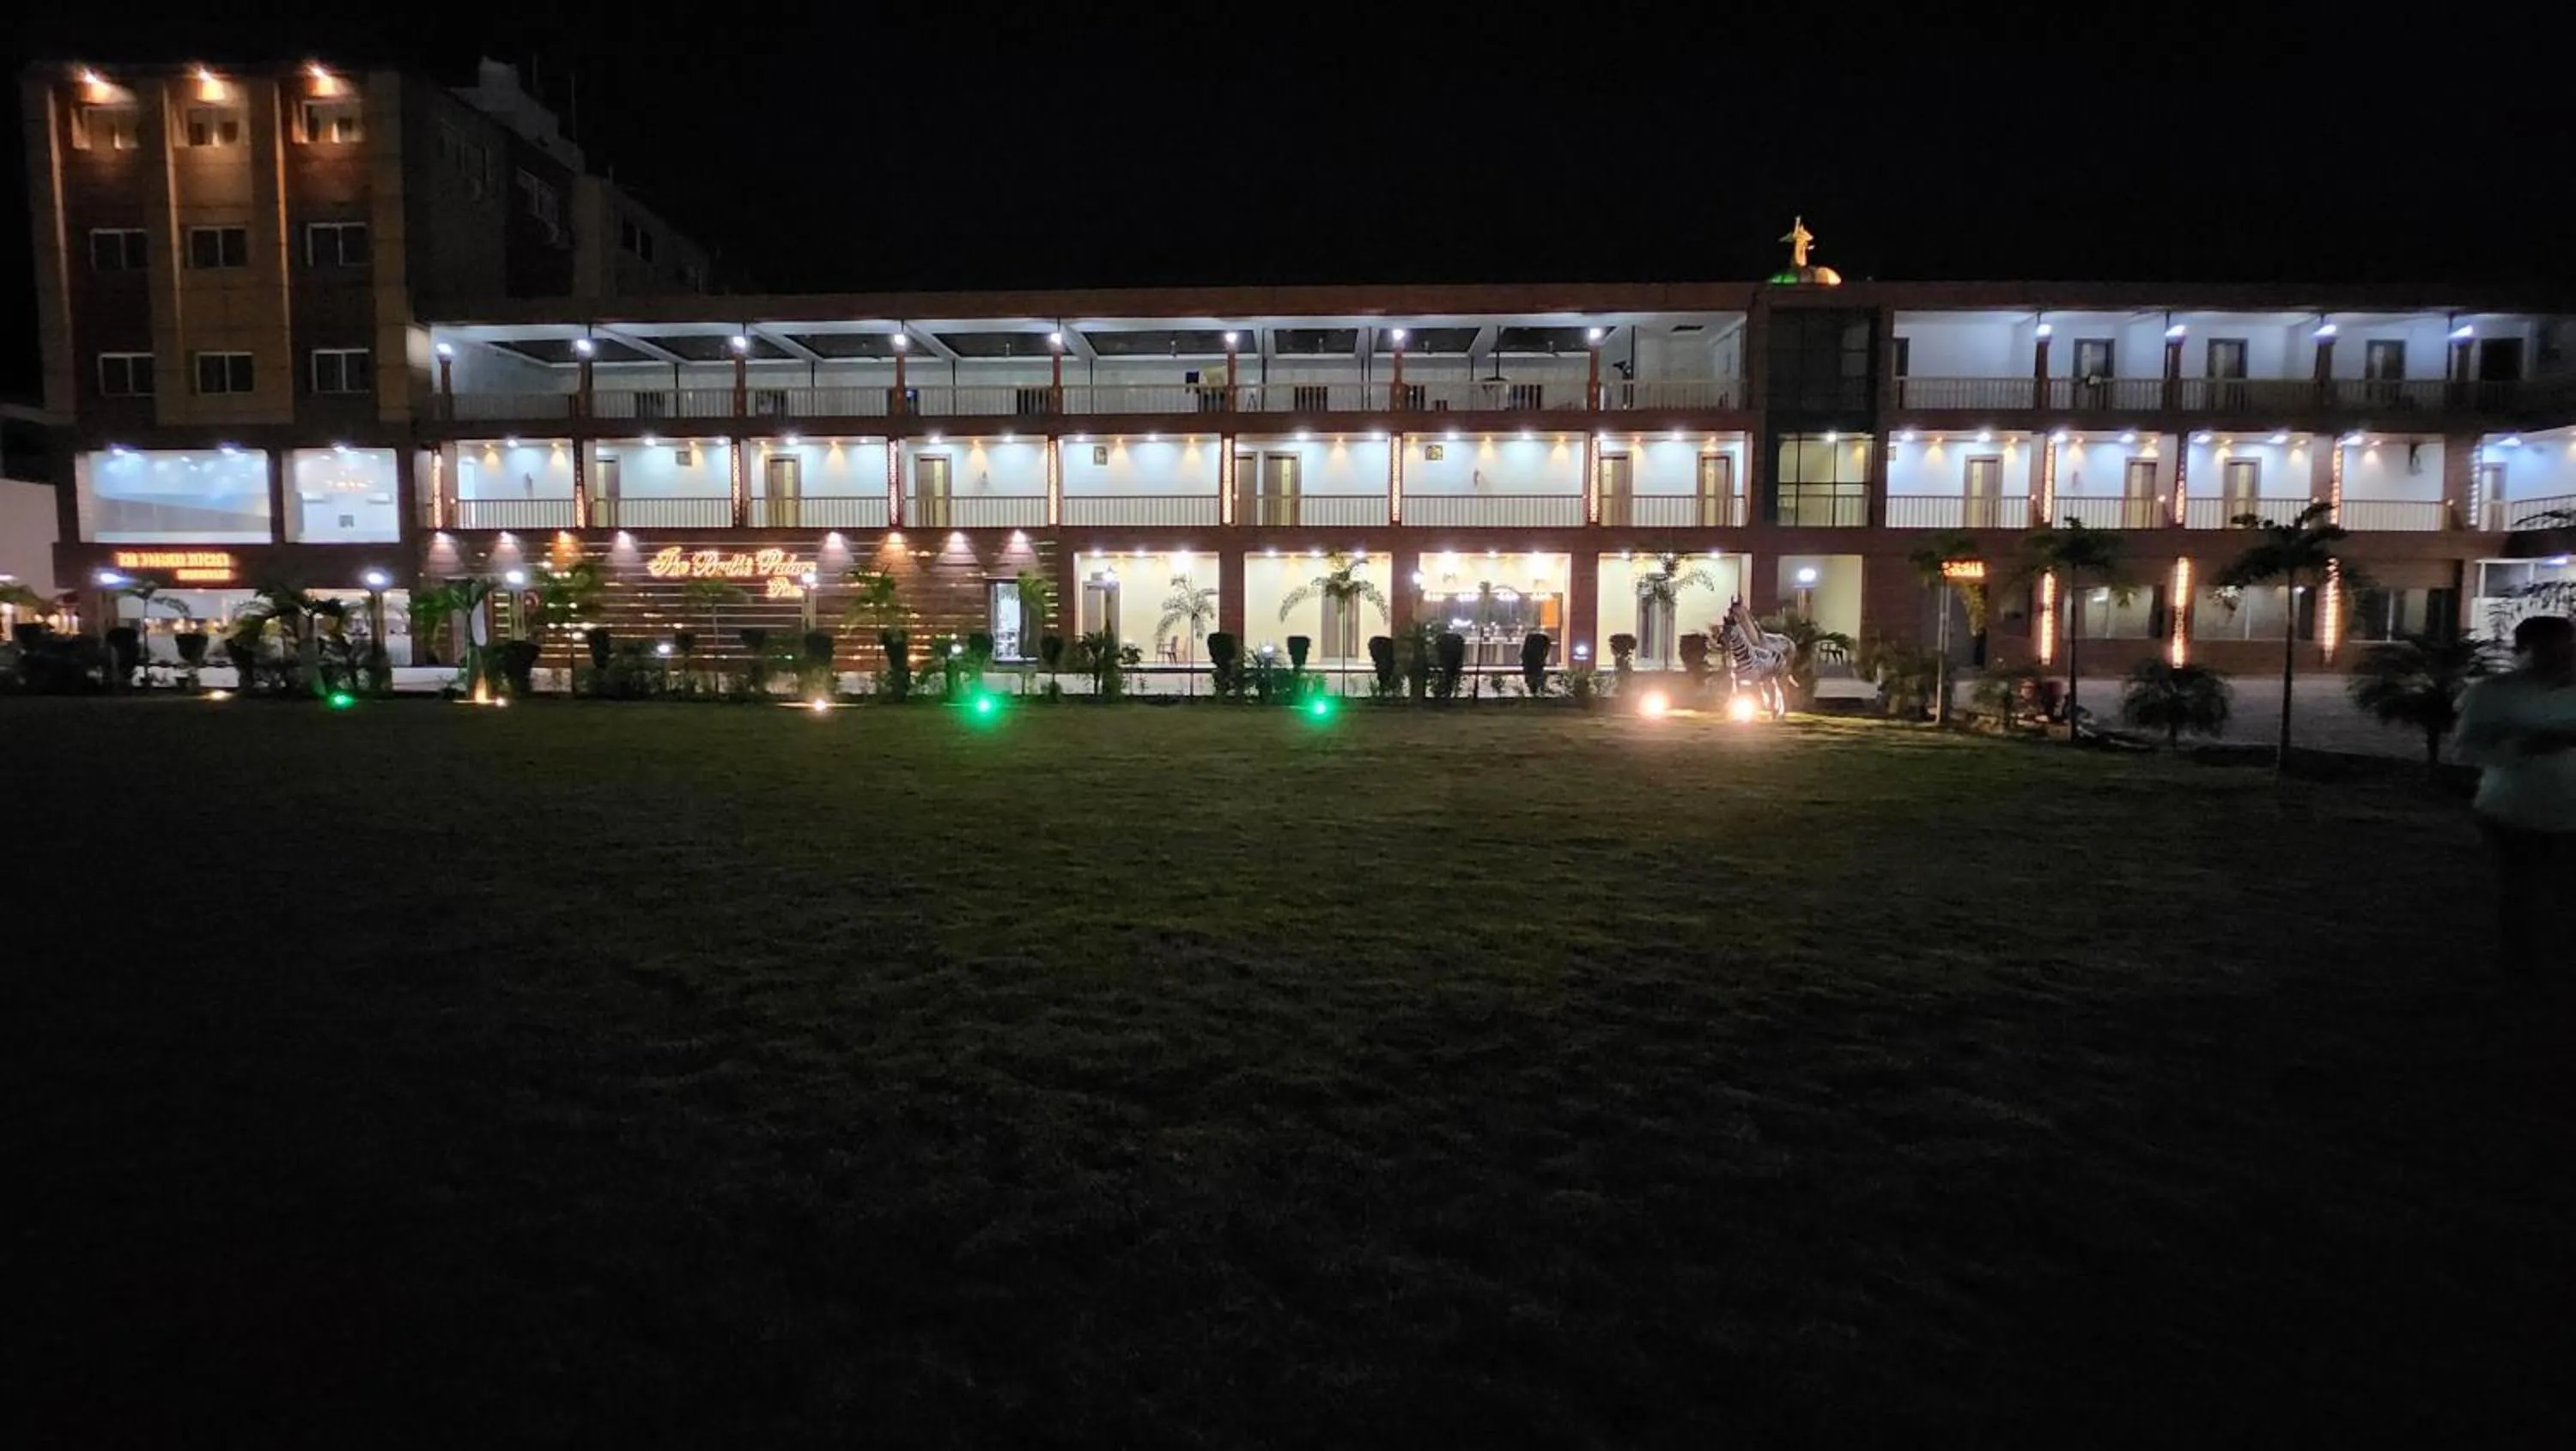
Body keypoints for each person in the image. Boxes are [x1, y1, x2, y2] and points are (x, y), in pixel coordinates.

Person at [2453, 614, 2576, 979]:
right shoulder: (2491, 694)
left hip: (2570, 812)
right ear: (2521, 651)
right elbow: (2467, 750)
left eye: (2567, 650)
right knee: (2522, 892)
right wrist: (2523, 746)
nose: (2560, 659)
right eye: (2547, 651)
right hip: (2514, 812)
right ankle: (2522, 964)